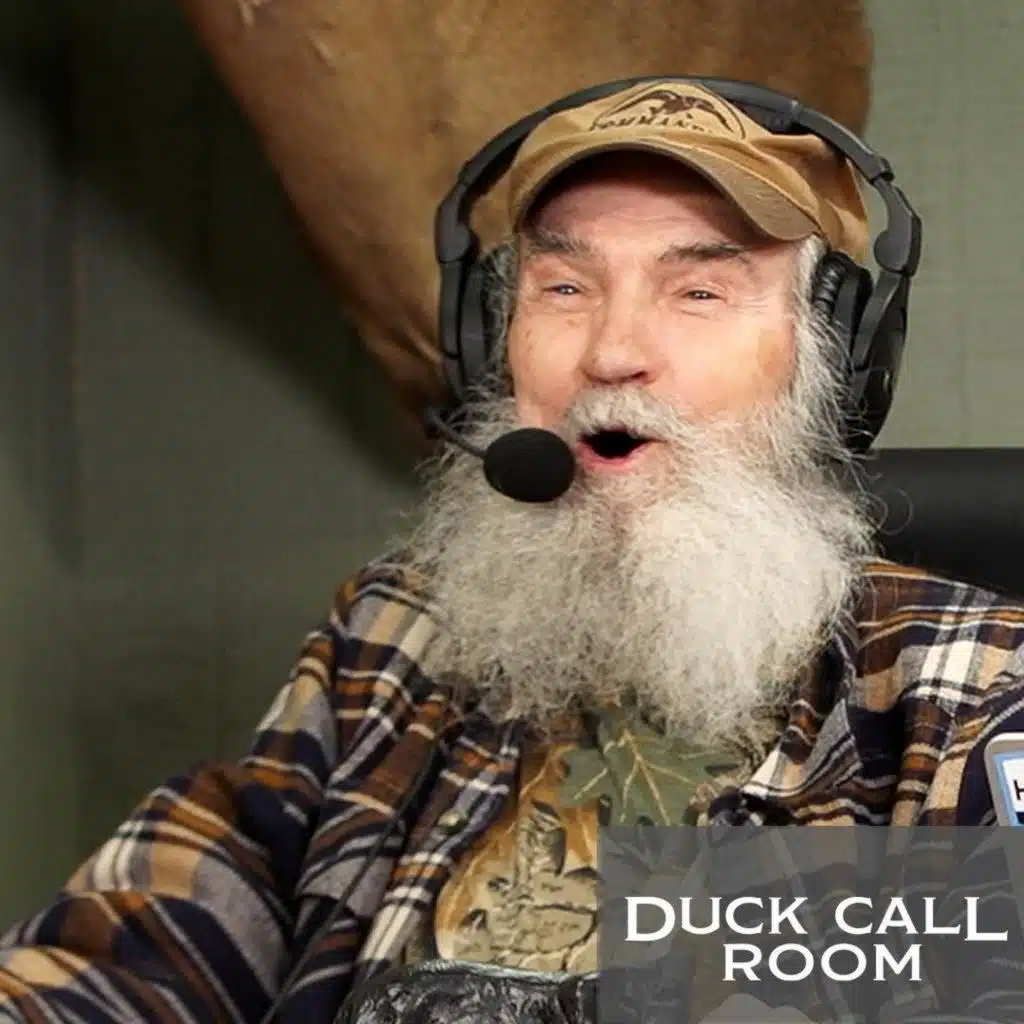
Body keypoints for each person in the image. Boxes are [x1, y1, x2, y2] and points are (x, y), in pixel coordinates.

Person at [0, 77, 1023, 1023]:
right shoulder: (394, 636)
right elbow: (137, 948)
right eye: (564, 289)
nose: (611, 353)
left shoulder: (976, 690)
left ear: (833, 355)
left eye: (699, 293)